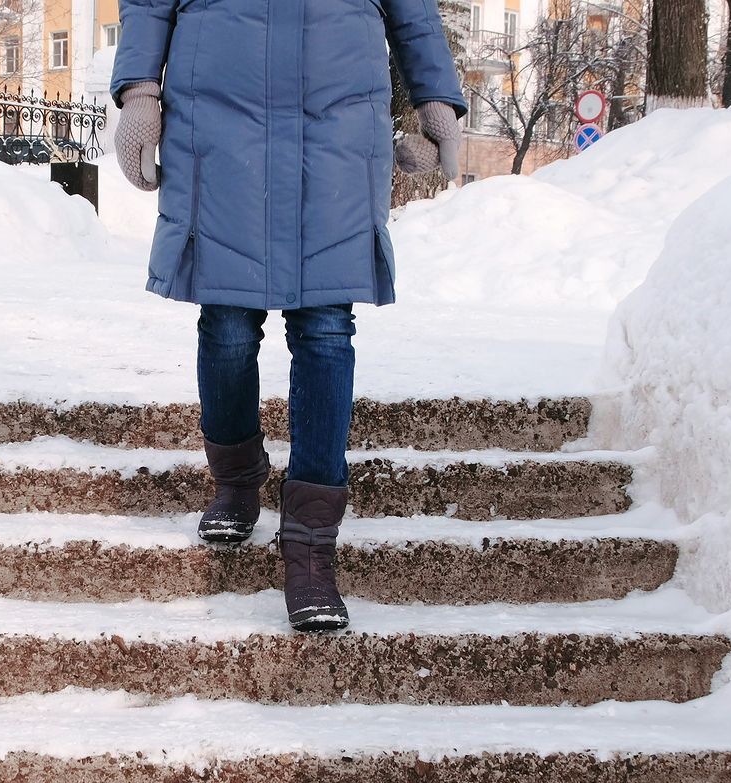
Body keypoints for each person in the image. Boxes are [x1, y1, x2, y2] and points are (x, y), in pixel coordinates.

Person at [110, 0, 466, 631]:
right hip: (218, 127)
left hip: (337, 132)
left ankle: (310, 545)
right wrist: (139, 92)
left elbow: (412, 10)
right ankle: (237, 479)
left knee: (325, 330)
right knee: (227, 323)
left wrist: (436, 99)